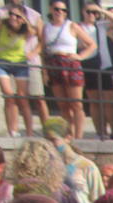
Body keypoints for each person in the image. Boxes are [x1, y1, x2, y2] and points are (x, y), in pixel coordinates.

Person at [42, 3, 96, 140]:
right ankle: (68, 134)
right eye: (56, 9)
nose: (59, 12)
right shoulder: (46, 28)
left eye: (63, 10)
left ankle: (78, 135)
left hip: (70, 62)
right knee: (62, 104)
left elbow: (92, 44)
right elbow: (43, 51)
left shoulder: (72, 26)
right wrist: (45, 72)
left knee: (76, 103)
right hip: (54, 63)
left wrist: (80, 56)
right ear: (51, 10)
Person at [0, 5, 37, 137]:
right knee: (9, 95)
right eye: (11, 14)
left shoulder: (25, 29)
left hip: (20, 63)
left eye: (17, 16)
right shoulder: (1, 25)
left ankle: (29, 132)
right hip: (2, 61)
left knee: (22, 98)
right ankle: (12, 130)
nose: (13, 17)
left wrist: (23, 19)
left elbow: (33, 33)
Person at [80, 5, 113, 141]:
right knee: (94, 101)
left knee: (110, 101)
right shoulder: (79, 27)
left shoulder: (101, 25)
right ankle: (101, 132)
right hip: (89, 64)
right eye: (89, 12)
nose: (92, 15)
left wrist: (101, 10)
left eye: (94, 12)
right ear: (83, 12)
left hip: (104, 66)